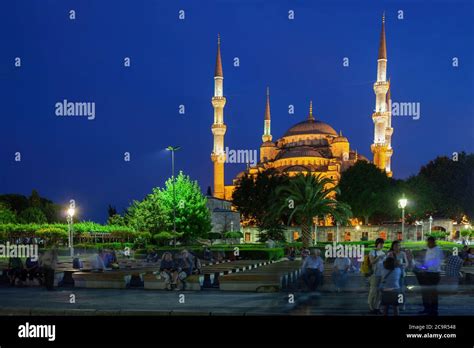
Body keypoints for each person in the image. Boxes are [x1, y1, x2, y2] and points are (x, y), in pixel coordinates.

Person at [414, 236, 444, 316]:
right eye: (427, 242)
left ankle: (434, 310)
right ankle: (427, 308)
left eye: (429, 242)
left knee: (432, 293)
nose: (427, 244)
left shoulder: (438, 250)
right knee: (425, 292)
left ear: (433, 242)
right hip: (426, 273)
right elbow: (427, 261)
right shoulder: (428, 249)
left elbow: (436, 262)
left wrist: (425, 267)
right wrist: (421, 266)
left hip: (434, 274)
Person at [387, 241, 412, 310]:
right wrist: (393, 263)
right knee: (394, 290)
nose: (397, 247)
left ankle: (401, 304)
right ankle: (395, 304)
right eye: (395, 246)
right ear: (392, 247)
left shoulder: (402, 253)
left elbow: (406, 263)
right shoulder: (390, 254)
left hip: (401, 273)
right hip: (392, 275)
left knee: (401, 290)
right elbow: (387, 264)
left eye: (398, 245)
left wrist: (403, 265)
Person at [367, 238, 386, 314]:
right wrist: (378, 257)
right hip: (374, 274)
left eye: (382, 244)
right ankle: (371, 307)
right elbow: (371, 262)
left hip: (382, 274)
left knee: (379, 292)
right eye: (380, 244)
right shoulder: (372, 251)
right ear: (377, 244)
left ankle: (377, 307)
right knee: (373, 291)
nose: (382, 245)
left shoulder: (383, 252)